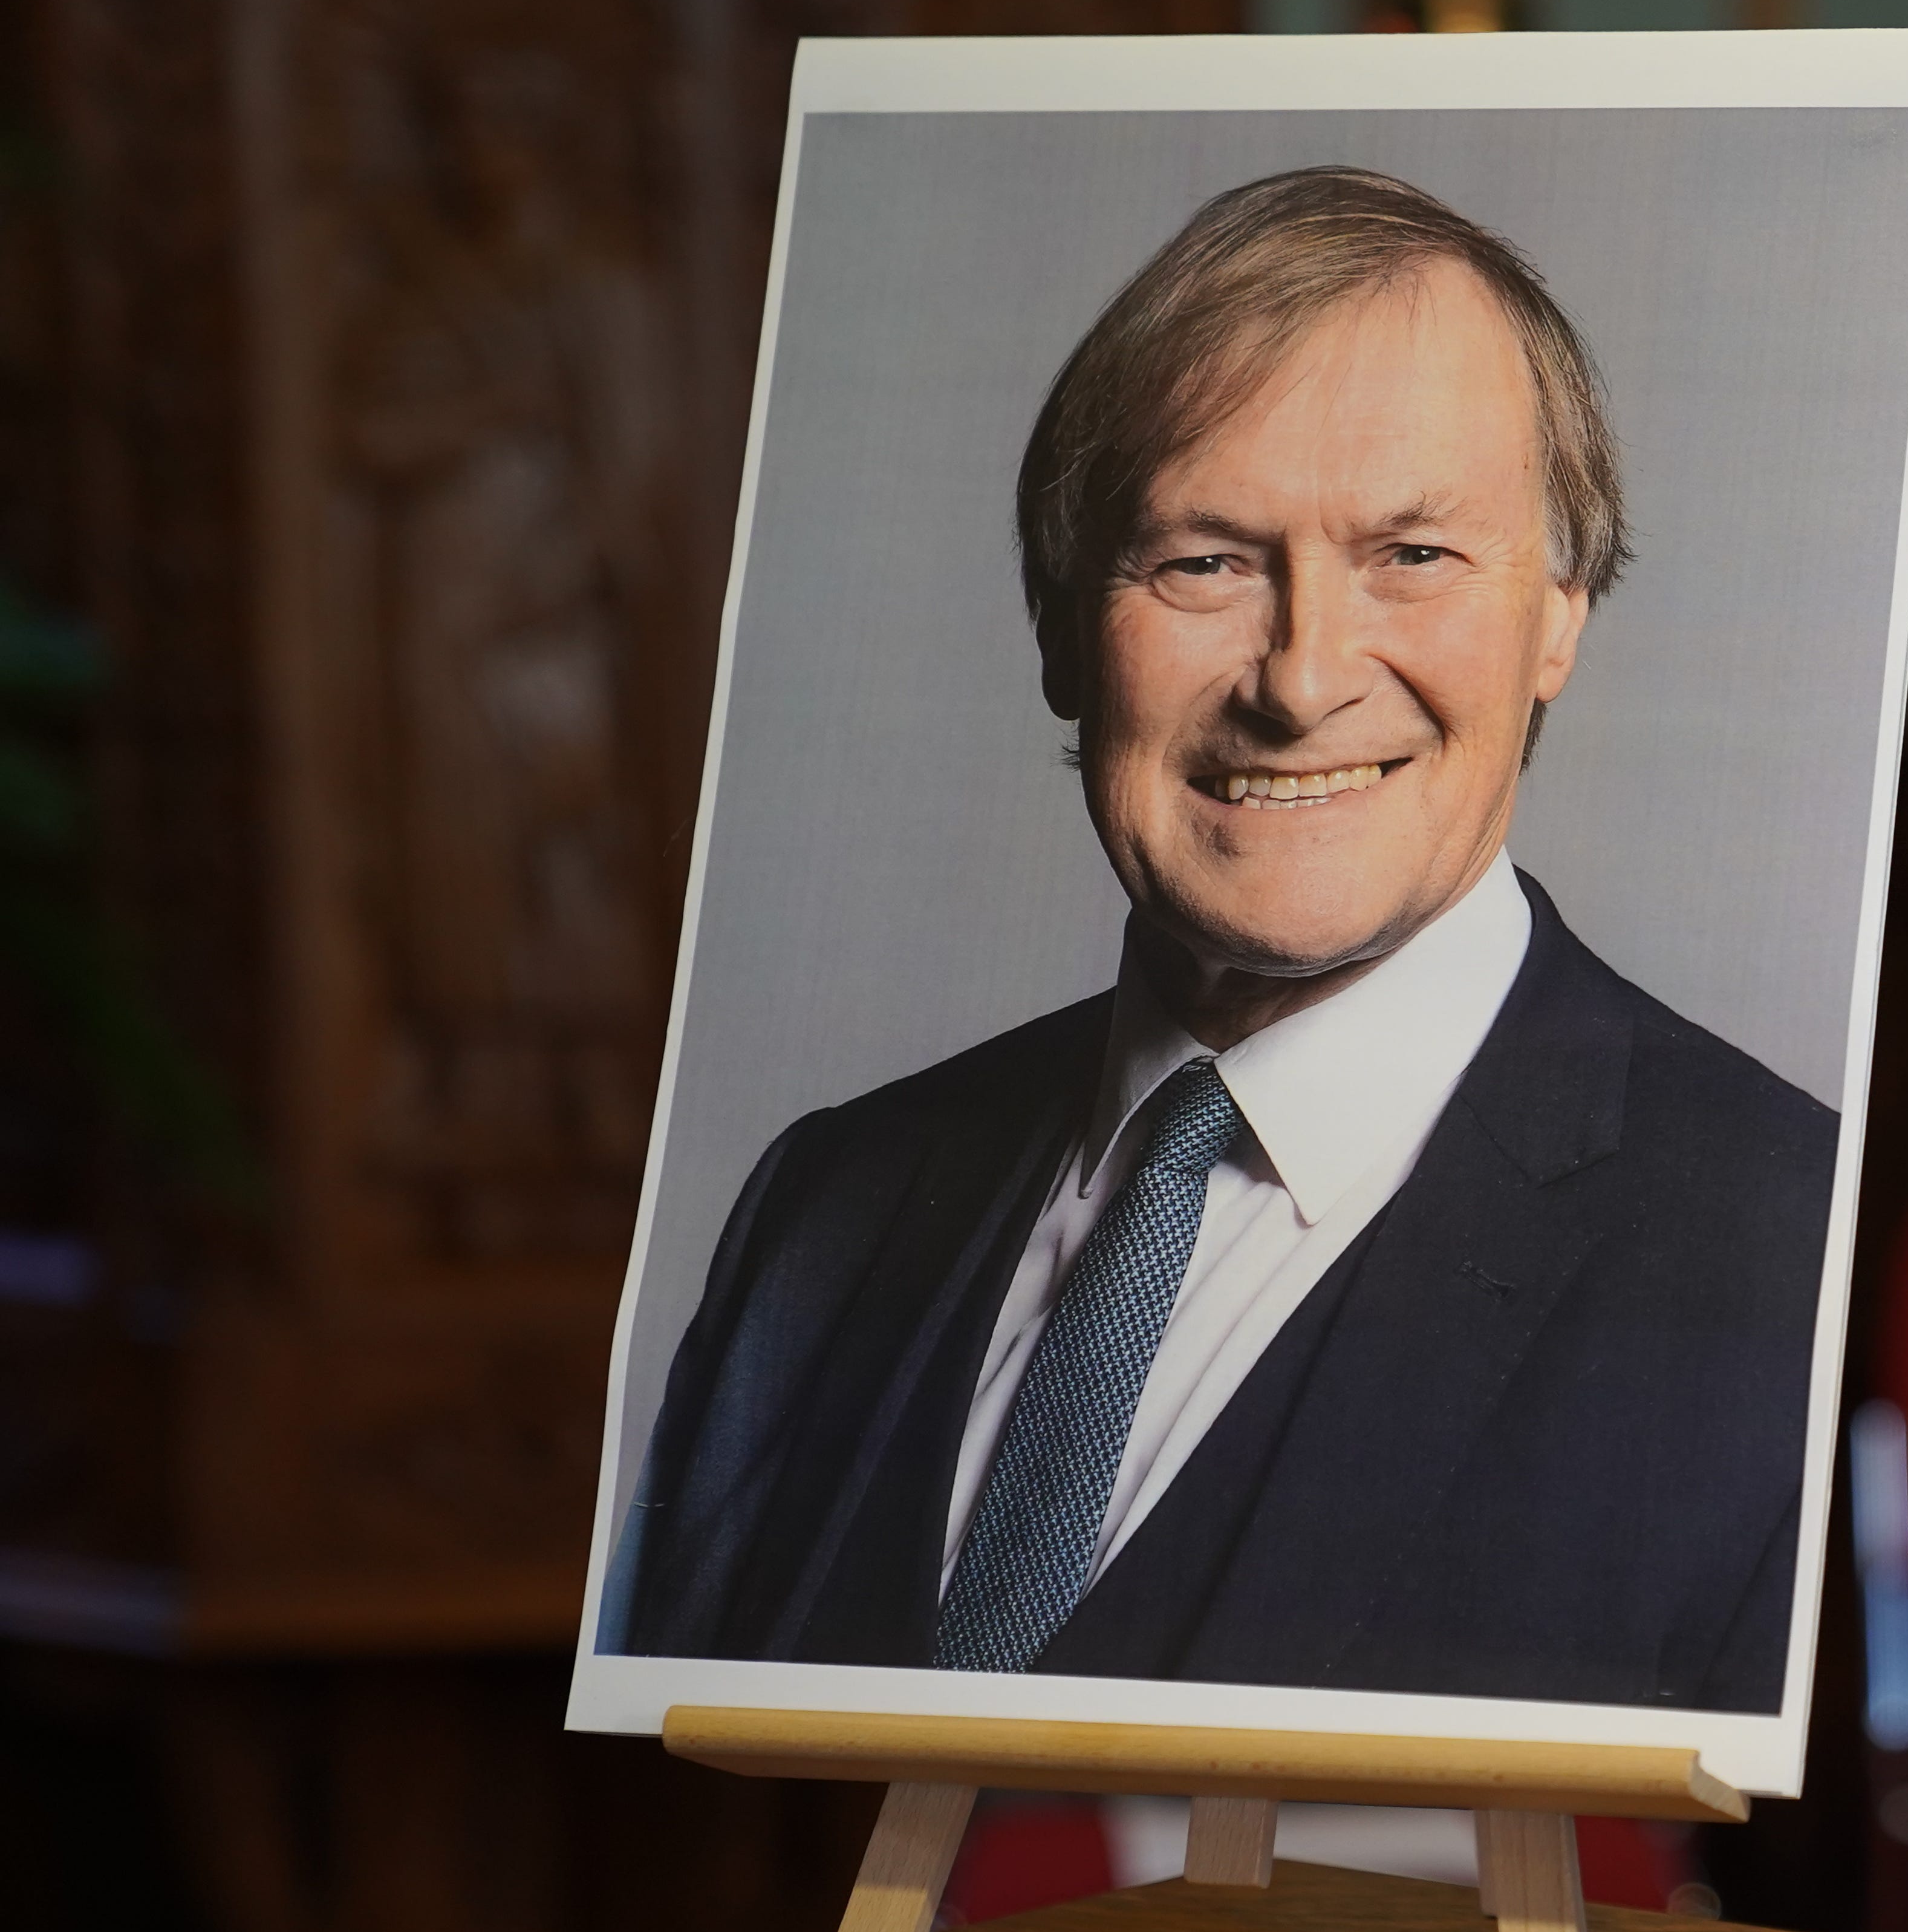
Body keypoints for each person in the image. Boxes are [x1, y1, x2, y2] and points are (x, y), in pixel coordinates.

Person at [606, 168, 1834, 1712]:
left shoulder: (1791, 1257)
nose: (1302, 677)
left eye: (1414, 554)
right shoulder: (828, 1207)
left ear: (1562, 616)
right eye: (1204, 560)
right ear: (1063, 628)